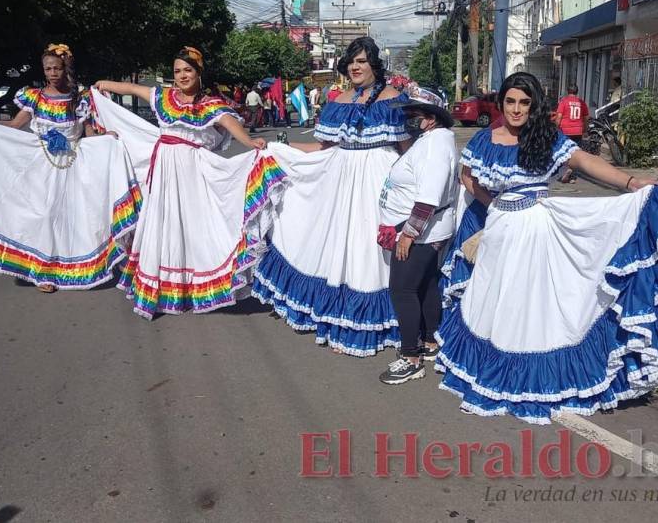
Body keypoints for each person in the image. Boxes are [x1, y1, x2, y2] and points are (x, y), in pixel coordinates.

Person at [435, 72, 658, 424]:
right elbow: (467, 177)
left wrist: (630, 182)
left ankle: (532, 375)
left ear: (533, 106)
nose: (517, 109)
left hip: (534, 230)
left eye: (524, 103)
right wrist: (494, 206)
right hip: (499, 232)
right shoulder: (484, 139)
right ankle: (492, 368)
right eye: (510, 102)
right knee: (493, 300)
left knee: (528, 304)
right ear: (501, 103)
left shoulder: (545, 136)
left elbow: (583, 161)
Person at [93, 47, 286, 319]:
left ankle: (195, 287)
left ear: (198, 73)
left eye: (188, 70)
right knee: (164, 224)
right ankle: (165, 289)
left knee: (194, 227)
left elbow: (230, 123)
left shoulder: (210, 104)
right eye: (177, 71)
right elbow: (133, 89)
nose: (182, 76)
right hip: (164, 172)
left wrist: (250, 142)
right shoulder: (163, 96)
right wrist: (104, 85)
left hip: (194, 173)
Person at [253, 37, 411, 356]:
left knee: (371, 249)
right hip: (340, 181)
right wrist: (280, 149)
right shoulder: (338, 99)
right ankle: (339, 315)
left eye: (362, 61)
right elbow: (323, 148)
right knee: (340, 243)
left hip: (379, 182)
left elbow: (409, 151)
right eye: (352, 61)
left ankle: (380, 320)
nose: (355, 66)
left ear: (374, 65)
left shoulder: (395, 99)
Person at [0, 44, 141, 292]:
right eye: (48, 68)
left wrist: (106, 137)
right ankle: (40, 271)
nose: (52, 73)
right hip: (38, 168)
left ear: (66, 69)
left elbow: (88, 134)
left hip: (71, 167)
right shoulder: (34, 97)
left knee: (67, 219)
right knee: (41, 216)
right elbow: (12, 126)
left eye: (56, 68)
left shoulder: (78, 100)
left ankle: (59, 269)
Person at [377, 86, 459, 384]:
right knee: (424, 285)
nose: (409, 118)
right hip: (424, 229)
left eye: (414, 113)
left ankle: (411, 357)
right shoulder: (430, 141)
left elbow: (429, 196)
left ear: (432, 117)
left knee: (402, 289)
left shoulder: (435, 145)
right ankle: (428, 341)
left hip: (421, 232)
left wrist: (409, 233)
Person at [555, 84, 589, 183]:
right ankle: (572, 177)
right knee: (575, 153)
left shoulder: (564, 101)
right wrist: (585, 130)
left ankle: (565, 171)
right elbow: (586, 118)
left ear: (567, 91)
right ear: (577, 92)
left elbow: (559, 117)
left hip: (565, 131)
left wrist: (556, 128)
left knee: (563, 152)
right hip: (577, 131)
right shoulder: (581, 103)